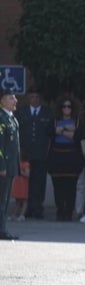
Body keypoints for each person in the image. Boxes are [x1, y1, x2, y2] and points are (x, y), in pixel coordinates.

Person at [17, 87, 53, 219]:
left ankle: (38, 208)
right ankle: (26, 209)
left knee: (39, 182)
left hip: (41, 154)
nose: (35, 99)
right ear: (28, 98)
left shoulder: (47, 113)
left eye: (37, 97)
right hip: (26, 154)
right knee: (25, 183)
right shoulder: (22, 113)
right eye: (32, 97)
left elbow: (51, 135)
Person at [48, 99, 83, 221]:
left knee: (71, 187)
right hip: (57, 156)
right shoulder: (55, 121)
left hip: (72, 156)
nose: (66, 108)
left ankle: (68, 212)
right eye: (64, 106)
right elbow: (50, 133)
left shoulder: (77, 121)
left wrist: (61, 130)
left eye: (69, 106)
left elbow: (76, 136)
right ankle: (60, 210)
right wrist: (68, 130)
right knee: (58, 186)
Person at [0, 88, 21, 240]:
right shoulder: (1, 118)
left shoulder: (12, 118)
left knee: (6, 200)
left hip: (11, 166)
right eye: (11, 98)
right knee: (1, 200)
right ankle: (2, 229)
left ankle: (3, 228)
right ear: (2, 101)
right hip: (3, 167)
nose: (15, 101)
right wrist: (1, 166)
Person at [11, 154, 30, 222]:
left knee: (24, 200)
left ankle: (22, 215)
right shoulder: (18, 164)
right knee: (17, 200)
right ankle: (14, 214)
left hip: (23, 184)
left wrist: (21, 172)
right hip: (18, 184)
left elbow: (27, 175)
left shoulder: (26, 164)